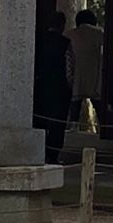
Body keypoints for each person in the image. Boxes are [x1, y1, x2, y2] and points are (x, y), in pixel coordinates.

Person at [33, 10, 73, 165]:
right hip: (58, 90)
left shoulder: (37, 41)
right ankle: (53, 156)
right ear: (62, 25)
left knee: (39, 122)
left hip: (39, 87)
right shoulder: (65, 43)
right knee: (57, 124)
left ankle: (38, 153)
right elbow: (70, 70)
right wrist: (70, 89)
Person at [64, 9, 105, 128]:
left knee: (75, 103)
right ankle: (105, 129)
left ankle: (73, 126)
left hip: (76, 77)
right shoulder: (100, 34)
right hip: (95, 77)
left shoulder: (69, 34)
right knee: (98, 105)